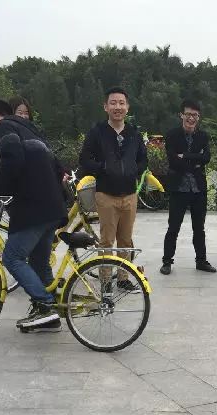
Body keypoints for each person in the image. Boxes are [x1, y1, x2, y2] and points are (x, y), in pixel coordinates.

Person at [0, 98, 68, 331]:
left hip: (33, 206)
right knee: (39, 260)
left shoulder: (3, 128)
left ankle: (45, 304)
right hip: (52, 205)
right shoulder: (27, 127)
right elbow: (55, 164)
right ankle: (50, 314)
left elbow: (12, 162)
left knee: (12, 257)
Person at [78, 87, 148, 291]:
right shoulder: (97, 132)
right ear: (106, 106)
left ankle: (123, 278)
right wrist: (103, 168)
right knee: (107, 241)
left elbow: (143, 159)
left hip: (129, 195)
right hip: (106, 194)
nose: (118, 107)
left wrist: (135, 170)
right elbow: (85, 159)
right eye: (113, 103)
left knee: (126, 240)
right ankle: (106, 281)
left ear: (127, 107)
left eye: (121, 103)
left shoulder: (133, 133)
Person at [160, 99, 216, 275]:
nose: (191, 118)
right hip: (179, 188)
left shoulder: (203, 136)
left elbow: (206, 158)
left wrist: (184, 155)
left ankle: (201, 261)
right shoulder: (171, 135)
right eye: (188, 114)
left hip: (198, 188)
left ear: (198, 117)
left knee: (199, 228)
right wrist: (194, 160)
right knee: (173, 227)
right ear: (181, 115)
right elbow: (173, 161)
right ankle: (167, 261)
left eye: (195, 115)